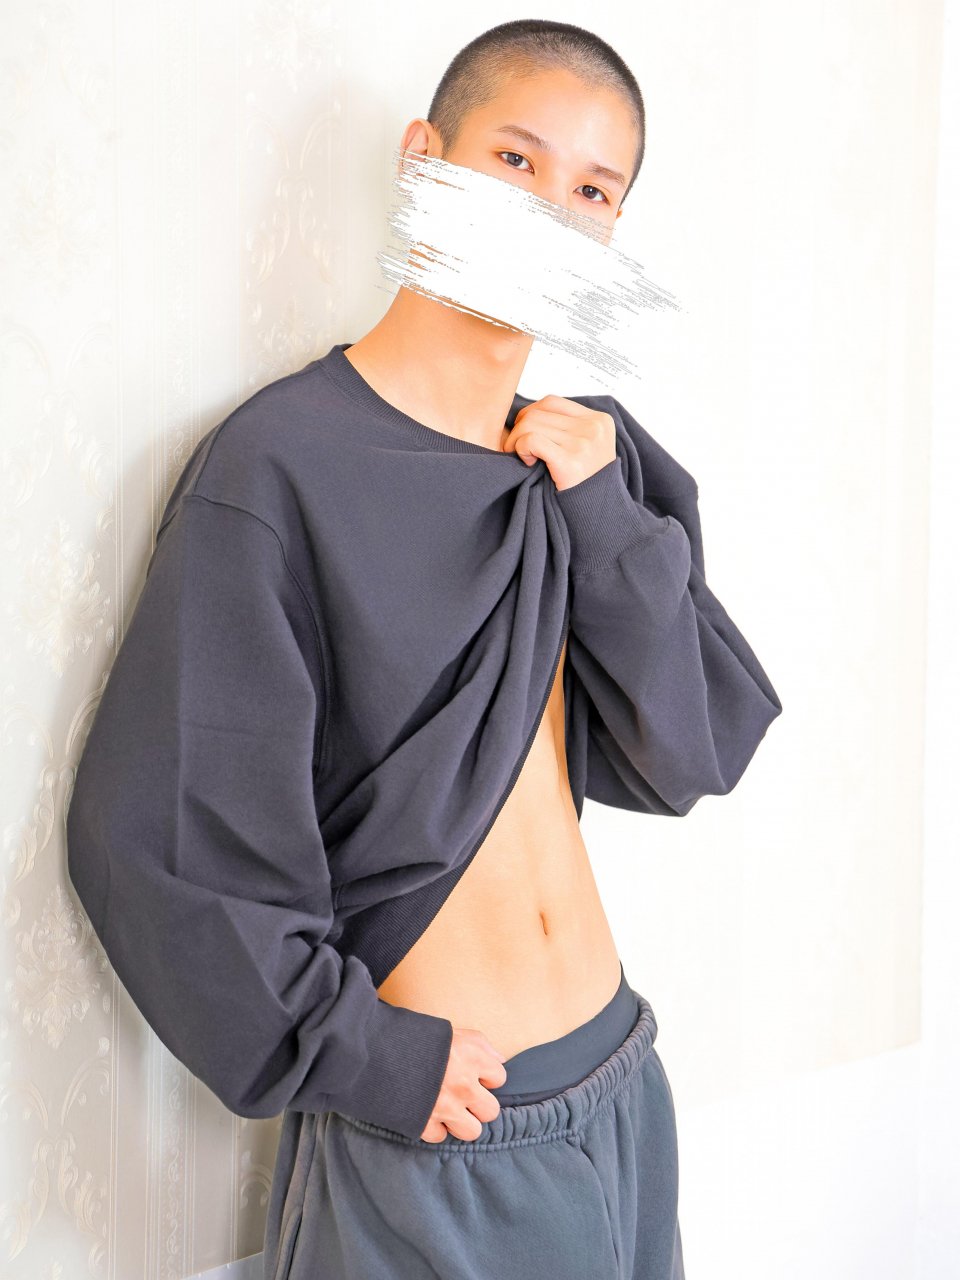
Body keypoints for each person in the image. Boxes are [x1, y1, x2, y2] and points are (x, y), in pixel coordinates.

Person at [66, 18, 782, 1280]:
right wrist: (367, 1056)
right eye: (516, 159)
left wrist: (606, 518)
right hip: (444, 1130)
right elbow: (157, 836)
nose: (551, 211)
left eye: (593, 191)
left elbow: (694, 748)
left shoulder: (587, 460)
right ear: (423, 159)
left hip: (624, 1080)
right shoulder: (277, 466)